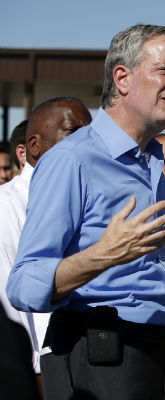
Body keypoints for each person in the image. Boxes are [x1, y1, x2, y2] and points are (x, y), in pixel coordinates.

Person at [6, 24, 165, 400]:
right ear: (122, 78)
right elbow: (23, 285)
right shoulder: (71, 159)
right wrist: (102, 255)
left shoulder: (152, 163)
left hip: (156, 351)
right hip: (98, 355)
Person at [0, 97, 92, 393]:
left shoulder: (85, 196)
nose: (86, 141)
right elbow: (10, 301)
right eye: (73, 131)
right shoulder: (6, 206)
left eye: (90, 132)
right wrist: (33, 376)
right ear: (33, 147)